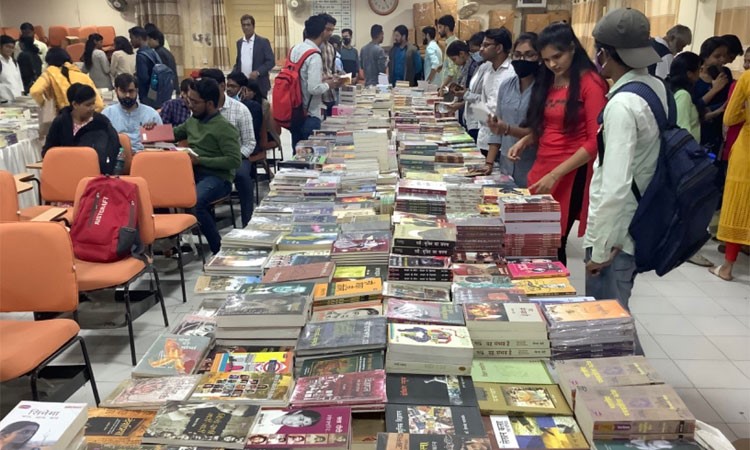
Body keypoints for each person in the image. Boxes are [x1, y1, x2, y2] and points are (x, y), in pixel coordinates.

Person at [584, 8, 665, 342]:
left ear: (603, 54)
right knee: (616, 313)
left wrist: (601, 248)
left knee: (607, 326)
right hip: (643, 216)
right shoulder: (656, 88)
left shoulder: (621, 104)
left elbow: (615, 184)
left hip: (617, 233)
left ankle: (631, 374)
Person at [509, 22, 608, 266]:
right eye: (546, 60)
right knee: (536, 239)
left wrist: (556, 174)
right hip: (543, 166)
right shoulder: (551, 80)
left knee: (554, 241)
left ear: (572, 48)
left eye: (557, 56)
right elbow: (550, 124)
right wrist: (527, 139)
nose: (553, 64)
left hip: (570, 171)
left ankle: (553, 284)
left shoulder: (590, 83)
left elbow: (595, 140)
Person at [174, 78, 242, 254]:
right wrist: (151, 129)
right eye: (189, 100)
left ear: (210, 104)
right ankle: (169, 245)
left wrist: (201, 160)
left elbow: (234, 161)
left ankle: (217, 250)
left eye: (195, 102)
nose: (190, 106)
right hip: (191, 173)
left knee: (196, 203)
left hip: (218, 178)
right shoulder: (193, 121)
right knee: (156, 192)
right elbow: (172, 134)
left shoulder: (224, 128)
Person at [199, 68, 256, 227]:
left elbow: (249, 143)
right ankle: (205, 224)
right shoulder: (200, 110)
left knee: (243, 176)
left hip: (236, 157)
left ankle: (248, 222)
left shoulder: (240, 110)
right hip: (208, 159)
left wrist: (231, 159)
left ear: (222, 86)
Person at [485, 33, 541, 187]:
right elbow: (497, 129)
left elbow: (541, 132)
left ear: (539, 57)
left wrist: (507, 129)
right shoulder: (506, 86)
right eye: (517, 55)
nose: (522, 60)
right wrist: (489, 163)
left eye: (529, 55)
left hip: (532, 164)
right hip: (506, 164)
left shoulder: (544, 89)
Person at [710, 69, 750, 281]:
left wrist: (746, 113)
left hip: (746, 153)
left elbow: (730, 116)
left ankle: (727, 268)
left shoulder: (747, 78)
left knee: (738, 206)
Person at [43, 83, 125, 174]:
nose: (92, 108)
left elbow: (117, 149)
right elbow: (48, 152)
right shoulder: (60, 123)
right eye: (88, 105)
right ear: (75, 104)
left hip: (98, 174)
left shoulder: (101, 123)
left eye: (93, 103)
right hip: (66, 172)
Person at [289, 15, 342, 148]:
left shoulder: (295, 49)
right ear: (322, 32)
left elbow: (300, 77)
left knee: (297, 152)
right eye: (327, 30)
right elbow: (313, 88)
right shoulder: (314, 55)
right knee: (310, 152)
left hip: (294, 109)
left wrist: (321, 79)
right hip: (310, 113)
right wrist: (329, 84)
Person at [466, 28, 515, 159]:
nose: (481, 49)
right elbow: (483, 102)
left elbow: (507, 111)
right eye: (482, 45)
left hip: (502, 141)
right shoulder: (487, 69)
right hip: (484, 137)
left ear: (499, 48)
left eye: (486, 45)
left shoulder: (512, 73)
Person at [30, 48, 104, 112]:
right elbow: (99, 105)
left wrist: (45, 105)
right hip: (85, 118)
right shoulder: (82, 76)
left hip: (62, 117)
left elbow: (35, 91)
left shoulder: (49, 74)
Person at [102, 73, 162, 153]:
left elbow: (161, 145)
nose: (128, 95)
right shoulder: (107, 114)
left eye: (131, 91)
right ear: (116, 91)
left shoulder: (151, 115)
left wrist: (153, 133)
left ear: (137, 91)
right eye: (123, 91)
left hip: (145, 156)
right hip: (116, 156)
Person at [695, 36, 730, 156]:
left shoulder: (725, 73)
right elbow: (694, 106)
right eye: (717, 56)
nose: (722, 60)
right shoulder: (695, 77)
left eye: (725, 55)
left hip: (720, 128)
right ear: (705, 56)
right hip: (702, 129)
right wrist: (714, 90)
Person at [233, 14, 275, 97]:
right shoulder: (239, 43)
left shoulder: (263, 42)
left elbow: (271, 61)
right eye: (243, 25)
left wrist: (258, 72)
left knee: (260, 105)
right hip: (243, 85)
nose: (246, 27)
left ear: (253, 26)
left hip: (259, 84)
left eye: (248, 25)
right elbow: (238, 62)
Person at [667, 52, 702, 141]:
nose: (700, 73)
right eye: (699, 69)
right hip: (686, 146)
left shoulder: (673, 89)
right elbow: (683, 127)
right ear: (689, 73)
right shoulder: (683, 95)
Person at [129, 26, 162, 108]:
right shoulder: (153, 52)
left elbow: (143, 78)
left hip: (146, 93)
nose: (130, 41)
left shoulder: (141, 55)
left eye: (131, 38)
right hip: (156, 91)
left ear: (138, 38)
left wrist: (135, 78)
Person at [318, 14, 338, 116]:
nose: (330, 33)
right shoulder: (313, 47)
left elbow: (332, 70)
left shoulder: (331, 48)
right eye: (328, 29)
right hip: (318, 97)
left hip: (331, 95)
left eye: (332, 30)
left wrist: (338, 78)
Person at [147, 29, 178, 95]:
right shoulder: (165, 51)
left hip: (165, 87)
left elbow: (159, 72)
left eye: (149, 39)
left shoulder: (158, 53)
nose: (148, 42)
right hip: (171, 85)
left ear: (156, 40)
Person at [437, 15, 458, 93]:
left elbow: (452, 71)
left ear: (446, 28)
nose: (438, 31)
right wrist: (443, 66)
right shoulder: (449, 43)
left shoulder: (453, 44)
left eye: (440, 27)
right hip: (447, 87)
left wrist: (442, 87)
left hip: (449, 88)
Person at [0, 36, 23, 100]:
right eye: (7, 46)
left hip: (17, 98)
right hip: (3, 100)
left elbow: (19, 80)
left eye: (12, 48)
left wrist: (21, 94)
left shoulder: (14, 62)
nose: (10, 49)